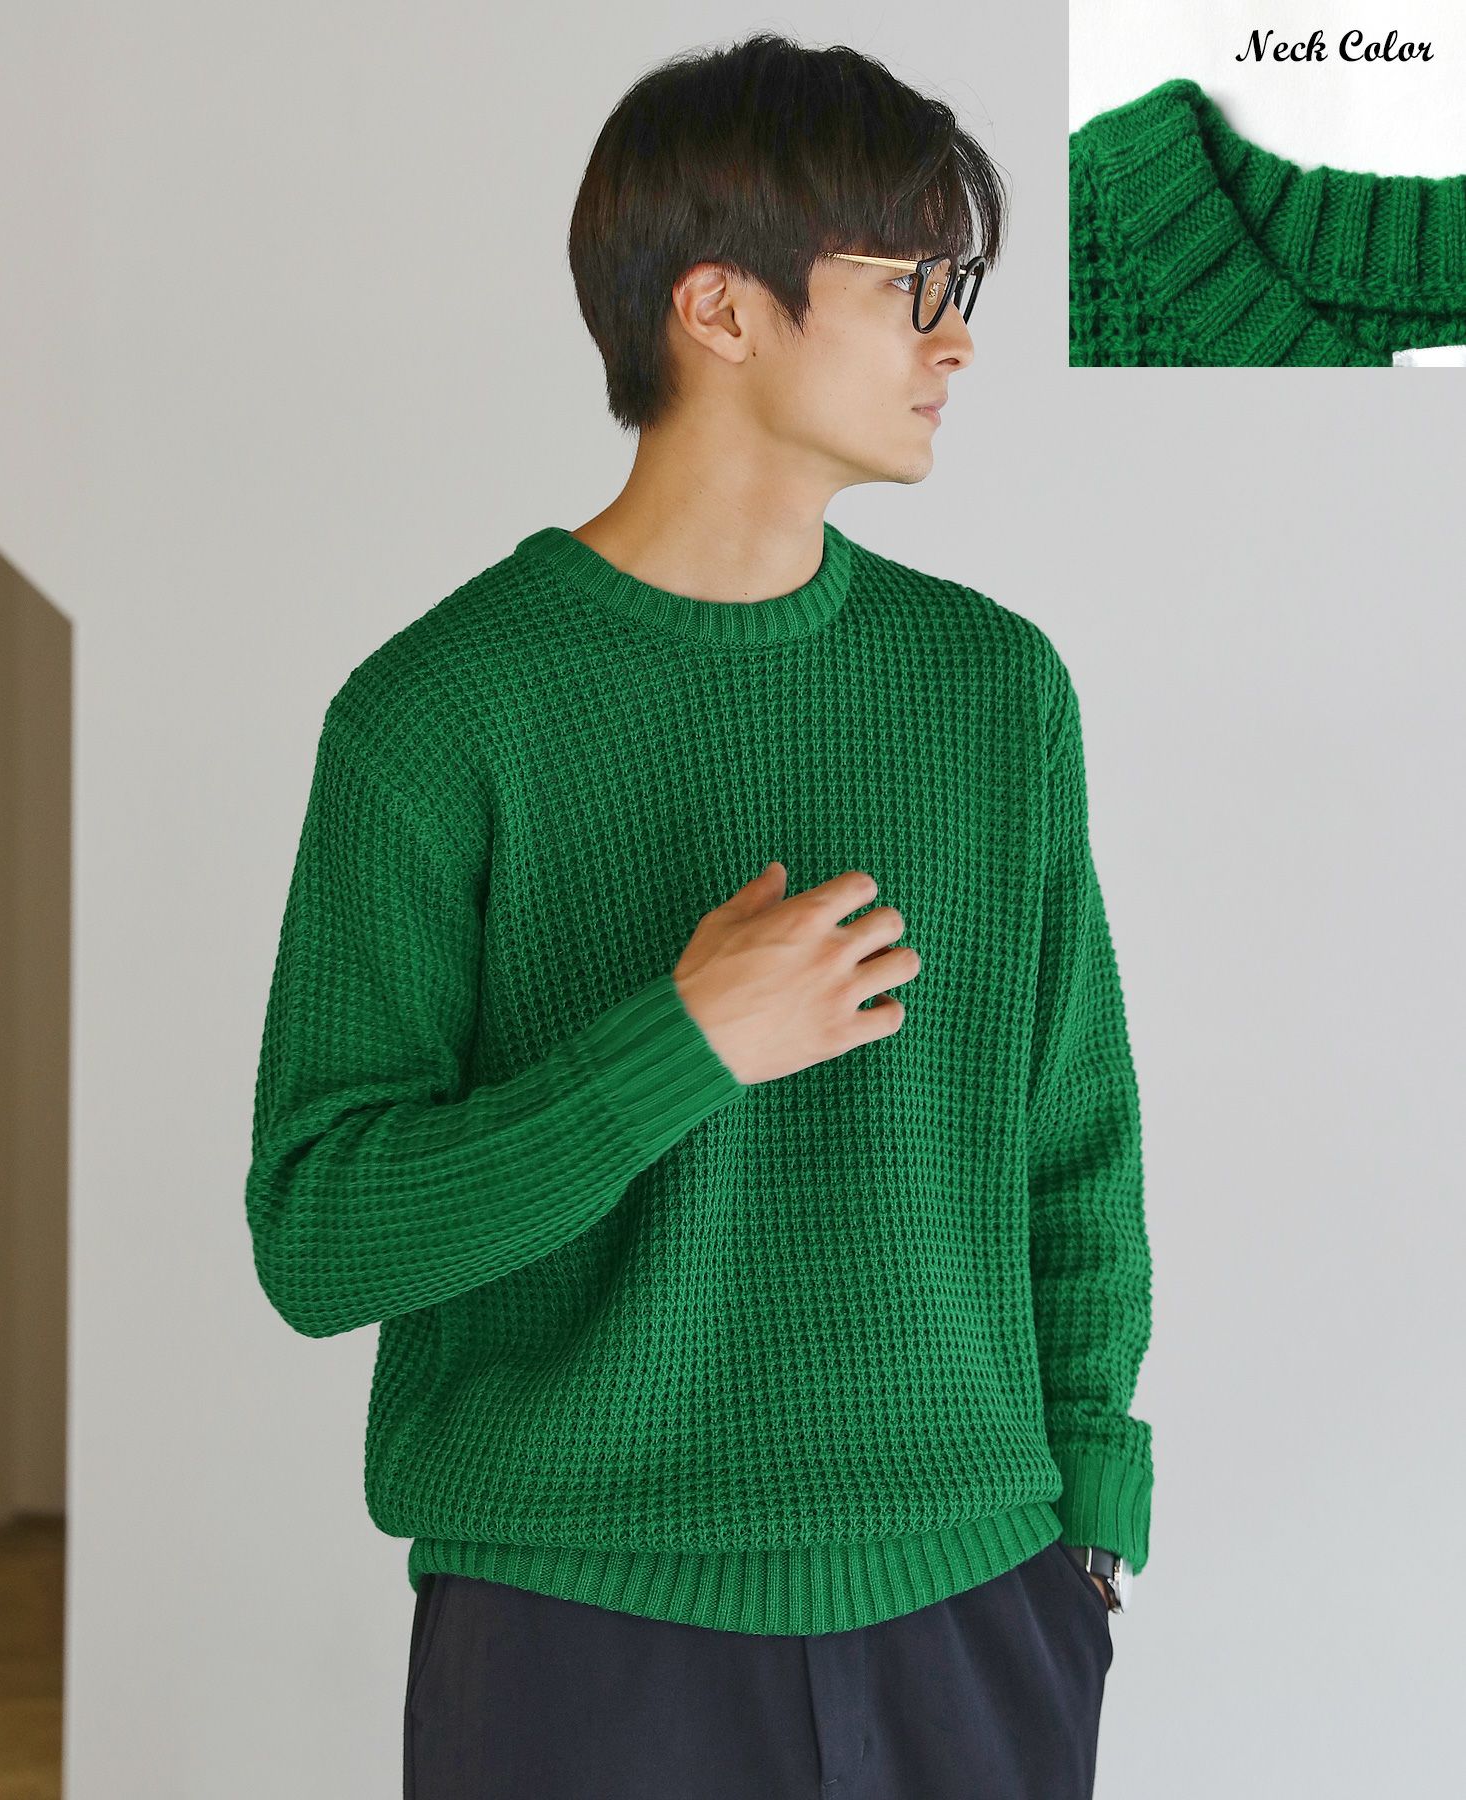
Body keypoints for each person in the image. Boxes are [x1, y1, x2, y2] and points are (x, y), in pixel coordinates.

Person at [244, 29, 1153, 1799]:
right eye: (910, 286)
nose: (957, 339)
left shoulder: (994, 693)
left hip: (978, 1613)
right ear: (721, 308)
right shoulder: (438, 713)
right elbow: (320, 1235)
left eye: (961, 289)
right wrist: (680, 1047)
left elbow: (1077, 1152)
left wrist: (1088, 1526)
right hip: (577, 1638)